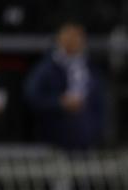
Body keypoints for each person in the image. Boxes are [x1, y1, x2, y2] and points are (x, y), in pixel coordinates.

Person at [24, 22, 105, 150]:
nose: (73, 41)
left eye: (77, 37)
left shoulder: (91, 68)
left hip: (87, 142)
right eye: (69, 36)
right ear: (59, 39)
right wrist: (59, 102)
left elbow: (100, 103)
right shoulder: (46, 68)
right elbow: (32, 96)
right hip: (54, 143)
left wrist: (98, 131)